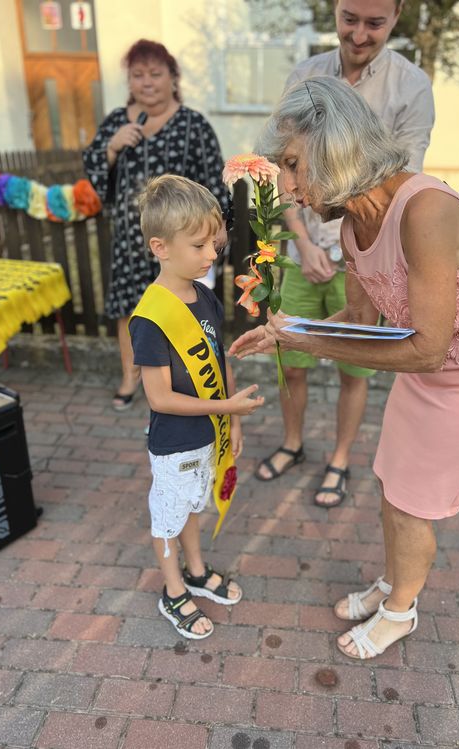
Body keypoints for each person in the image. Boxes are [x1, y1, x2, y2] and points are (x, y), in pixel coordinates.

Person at [230, 77, 459, 659]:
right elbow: (360, 317)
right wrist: (288, 332)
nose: (287, 188)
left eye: (291, 164)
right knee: (393, 483)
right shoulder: (351, 226)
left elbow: (427, 348)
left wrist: (314, 345)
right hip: (429, 367)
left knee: (411, 502)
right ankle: (394, 583)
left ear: (335, 143)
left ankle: (400, 613)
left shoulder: (426, 210)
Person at [254, 0, 435, 509]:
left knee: (355, 369)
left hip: (366, 249)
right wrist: (304, 242)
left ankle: (339, 458)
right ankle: (293, 442)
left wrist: (348, 253)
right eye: (349, 18)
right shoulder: (305, 75)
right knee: (291, 362)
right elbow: (283, 168)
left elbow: (399, 182)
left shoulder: (411, 87)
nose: (358, 34)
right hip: (307, 250)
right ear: (335, 9)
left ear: (397, 16)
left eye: (374, 23)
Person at [130, 174, 264, 639]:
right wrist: (226, 407)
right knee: (168, 518)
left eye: (214, 244)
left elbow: (220, 358)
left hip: (207, 435)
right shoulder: (151, 318)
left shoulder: (203, 295)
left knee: (192, 506)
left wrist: (231, 421)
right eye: (199, 245)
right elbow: (160, 398)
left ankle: (195, 570)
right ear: (160, 247)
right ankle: (172, 591)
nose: (212, 255)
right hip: (174, 444)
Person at [83, 39, 232, 412]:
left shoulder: (193, 124)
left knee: (184, 306)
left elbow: (214, 180)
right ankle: (130, 376)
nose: (147, 82)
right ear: (129, 81)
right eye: (138, 75)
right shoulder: (117, 121)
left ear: (172, 77)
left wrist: (218, 227)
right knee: (131, 308)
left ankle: (184, 380)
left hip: (181, 241)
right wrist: (112, 148)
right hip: (132, 242)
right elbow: (96, 179)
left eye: (155, 74)